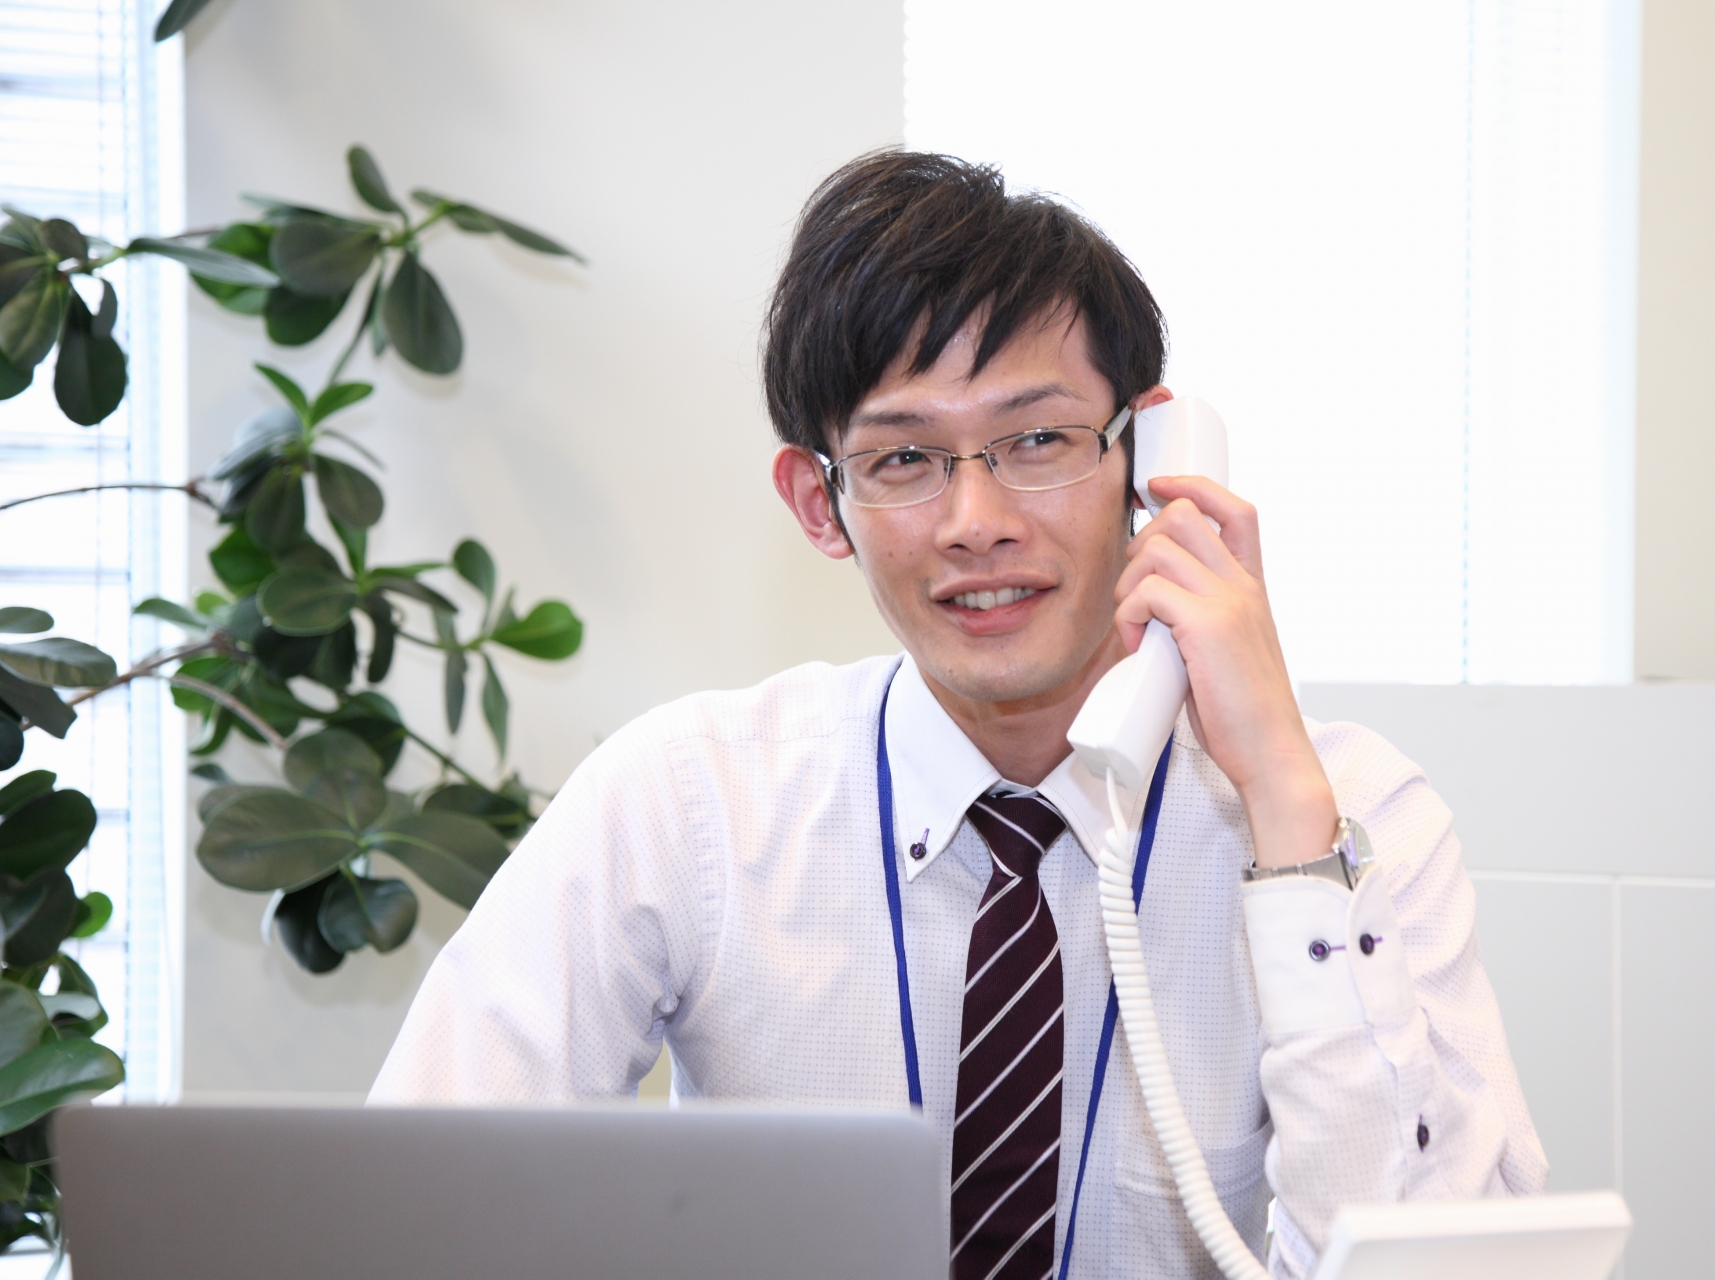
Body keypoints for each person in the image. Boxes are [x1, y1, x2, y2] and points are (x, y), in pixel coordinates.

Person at [369, 151, 1547, 1280]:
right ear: (819, 502)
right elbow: (416, 1210)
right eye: (903, 458)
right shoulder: (686, 803)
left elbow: (1436, 1257)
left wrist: (1287, 815)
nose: (976, 520)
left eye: (1037, 439)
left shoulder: (1355, 816)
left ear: (1148, 460)